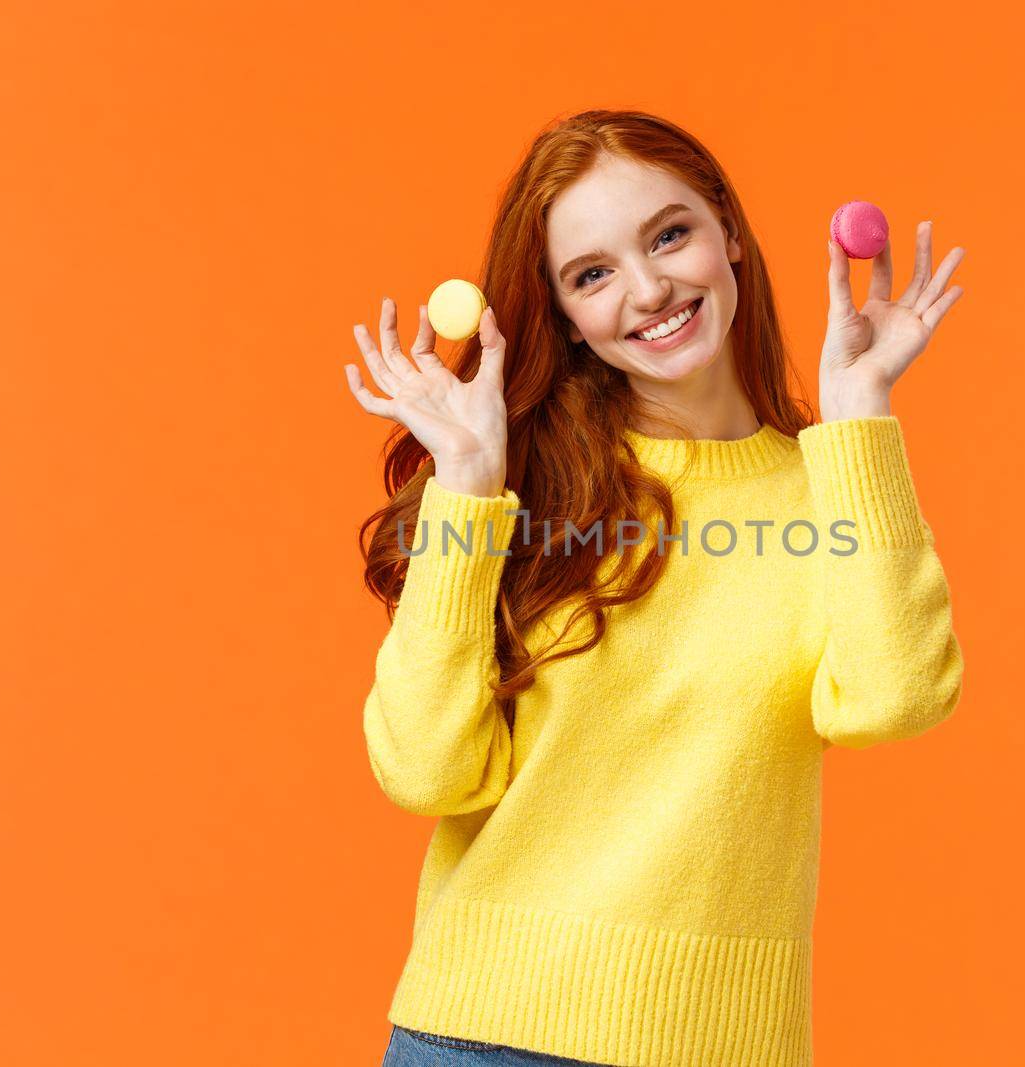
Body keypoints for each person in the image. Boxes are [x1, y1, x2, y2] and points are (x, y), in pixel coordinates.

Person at [344, 109, 966, 1067]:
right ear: (565, 316)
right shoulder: (523, 490)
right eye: (592, 274)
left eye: (668, 234)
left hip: (727, 1043)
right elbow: (424, 769)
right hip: (484, 1036)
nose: (648, 289)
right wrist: (468, 490)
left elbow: (898, 697)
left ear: (727, 231)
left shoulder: (828, 482)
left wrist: (857, 417)